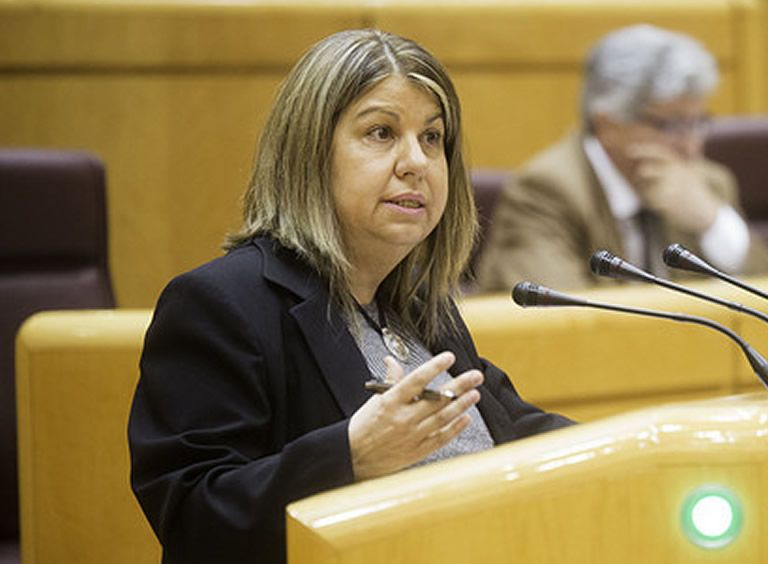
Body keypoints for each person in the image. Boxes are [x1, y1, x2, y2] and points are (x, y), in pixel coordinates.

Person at [126, 29, 573, 564]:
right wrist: (350, 456)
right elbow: (192, 516)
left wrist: (649, 445)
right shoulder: (222, 304)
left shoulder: (418, 304)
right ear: (310, 152)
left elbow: (513, 425)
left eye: (432, 138)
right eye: (382, 133)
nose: (417, 162)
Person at [474, 24, 768, 293]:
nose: (690, 147)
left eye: (697, 122)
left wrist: (713, 222)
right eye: (670, 125)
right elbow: (557, 321)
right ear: (608, 124)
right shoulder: (546, 192)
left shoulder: (706, 183)